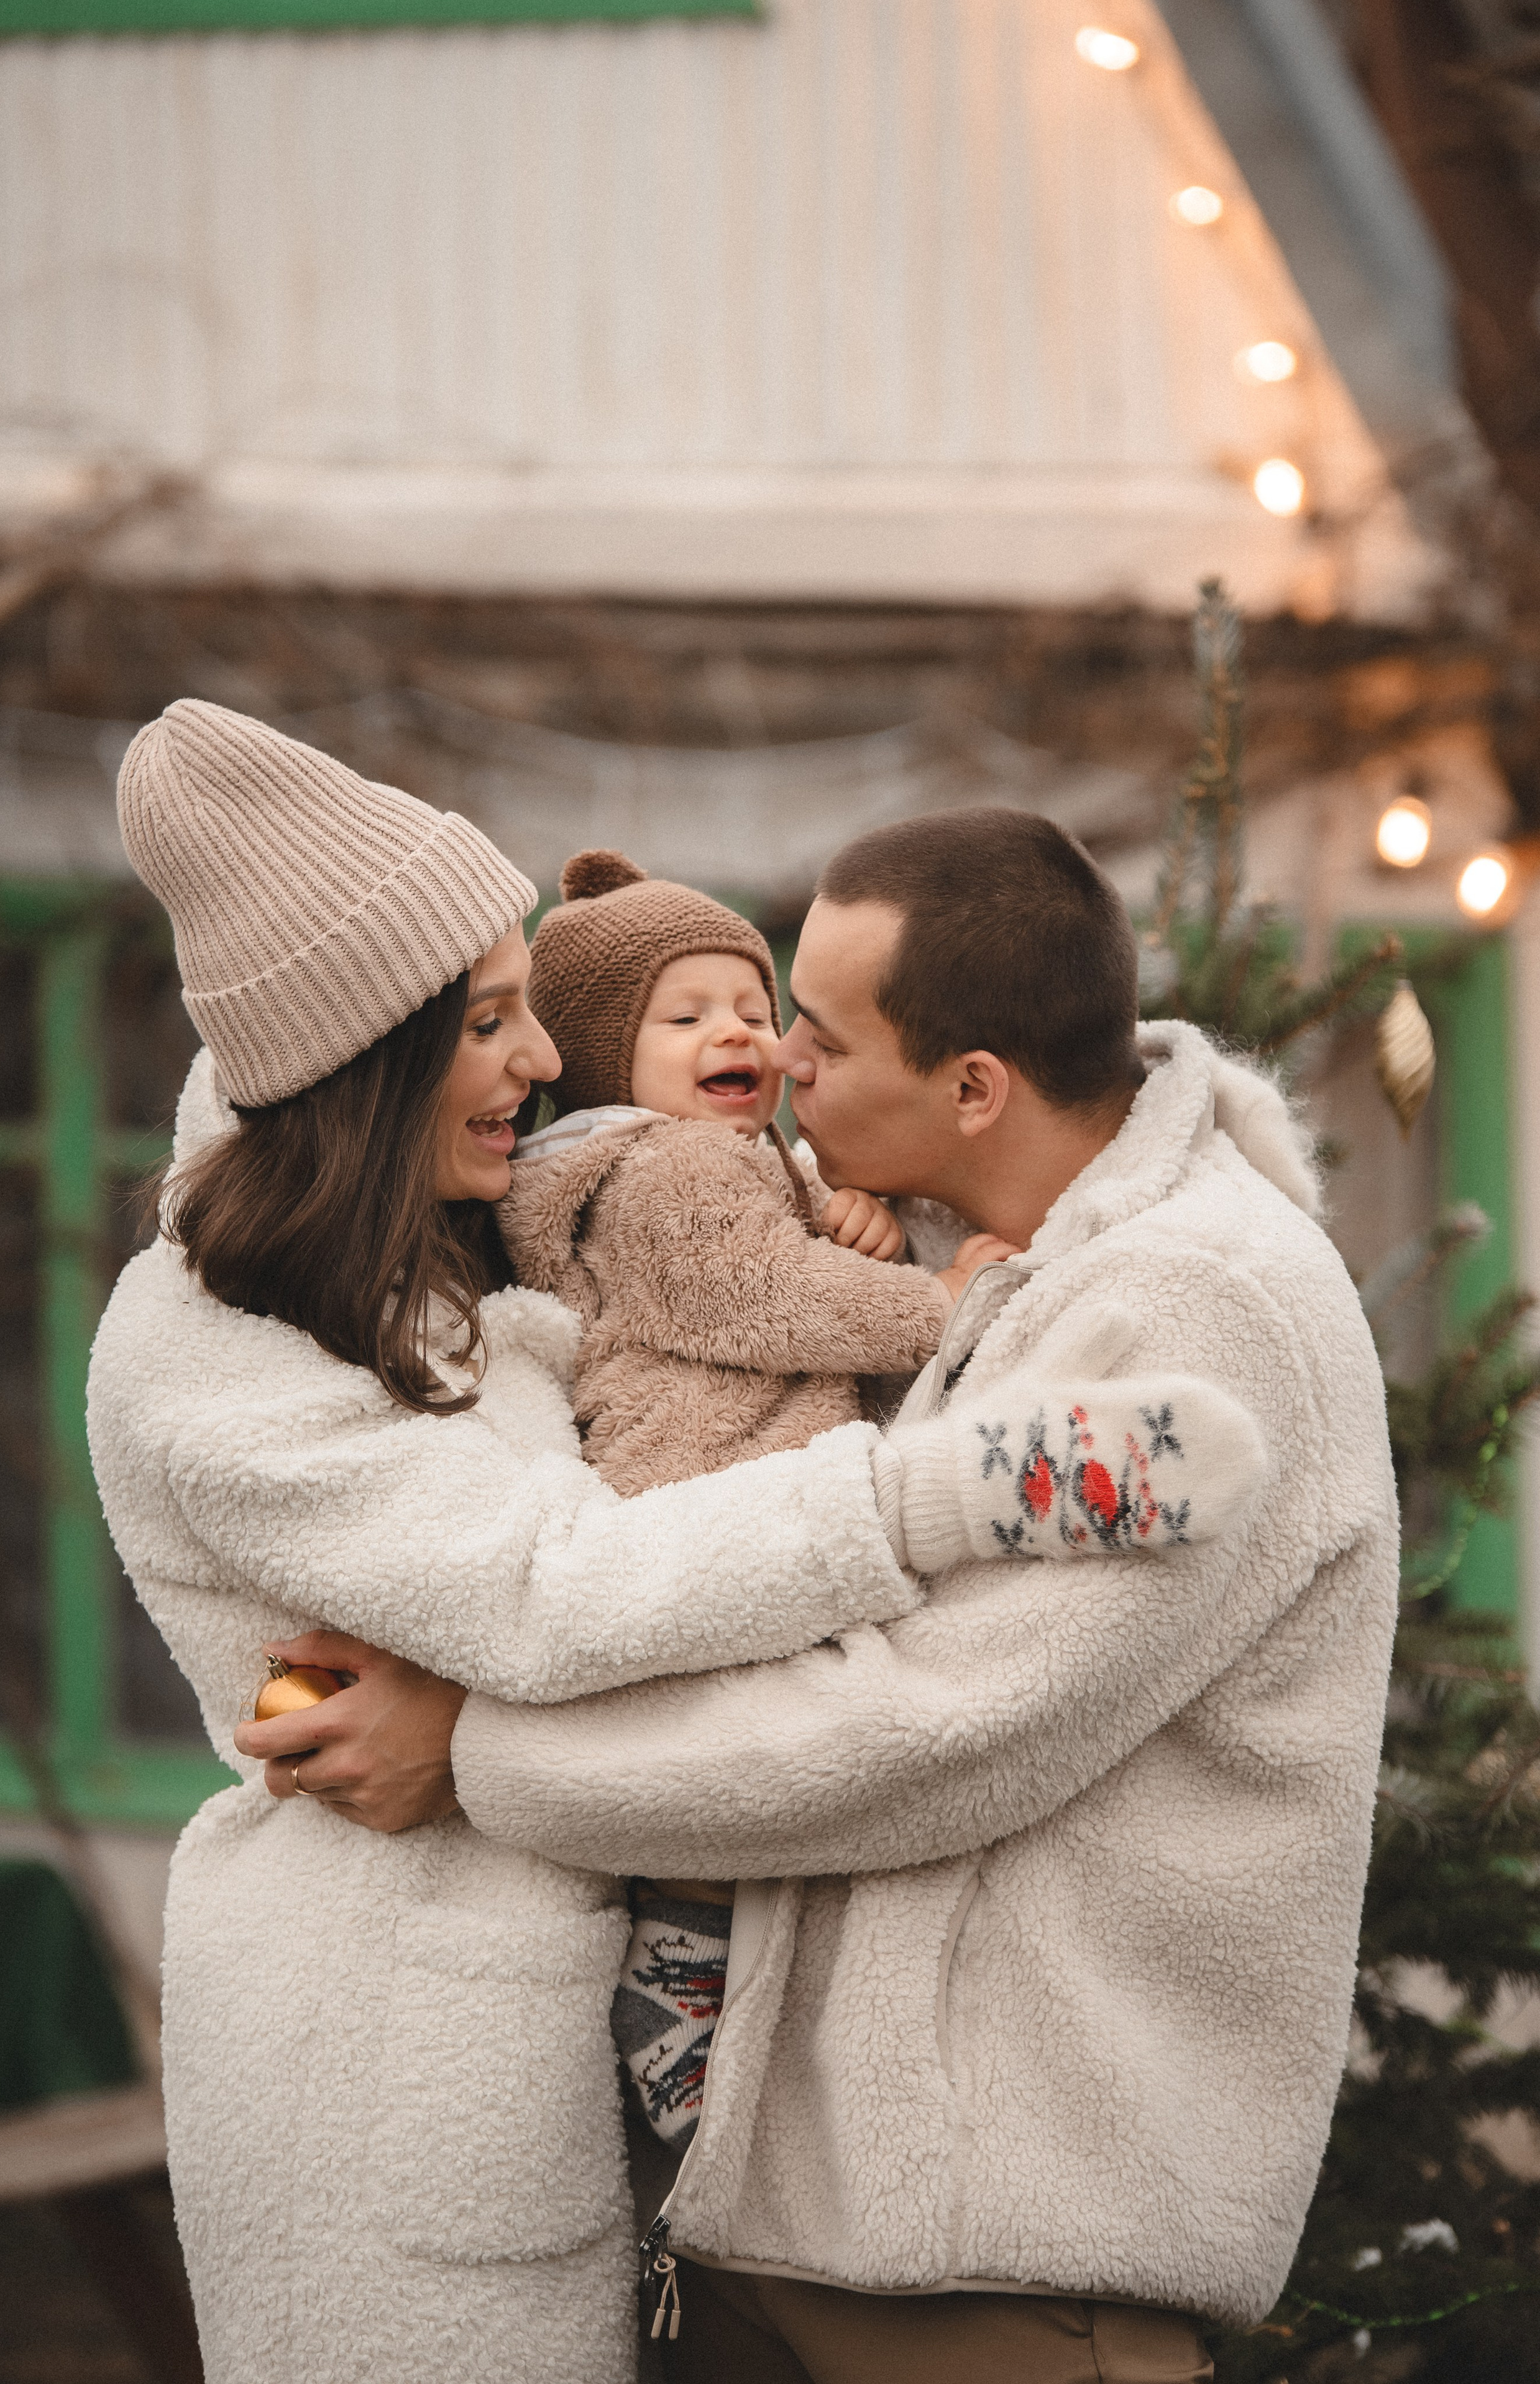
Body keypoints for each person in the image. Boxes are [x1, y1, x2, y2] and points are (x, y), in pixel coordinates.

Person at [86, 707, 1193, 2384]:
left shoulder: (445, 1245)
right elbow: (558, 1588)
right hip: (387, 2067)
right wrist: (933, 1491)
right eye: (488, 1021)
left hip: (574, 2019)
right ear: (364, 1057)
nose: (545, 1061)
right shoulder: (217, 1340)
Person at [249, 809, 1400, 2384]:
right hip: (798, 2233)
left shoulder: (1194, 1308)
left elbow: (932, 1728)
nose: (777, 1058)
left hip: (997, 2270)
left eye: (820, 1031)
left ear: (972, 1085)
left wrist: (476, 1756)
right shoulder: (961, 1246)